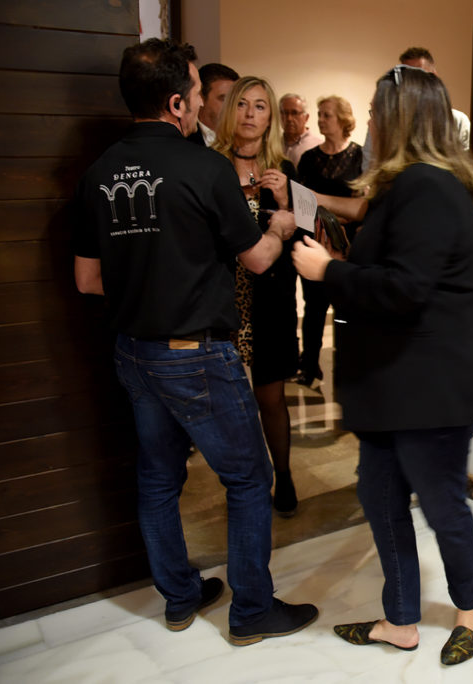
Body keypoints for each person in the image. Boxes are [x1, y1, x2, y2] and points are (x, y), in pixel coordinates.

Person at [71, 38, 317, 645]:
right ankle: (252, 610)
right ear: (178, 104)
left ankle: (180, 598)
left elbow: (88, 280)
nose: (208, 103)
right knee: (249, 479)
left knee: (158, 480)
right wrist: (282, 226)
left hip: (133, 352)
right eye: (200, 92)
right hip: (196, 354)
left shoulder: (99, 173)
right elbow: (257, 259)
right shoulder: (203, 167)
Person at [292, 64, 473, 665]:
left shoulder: (429, 188)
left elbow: (406, 289)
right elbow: (394, 269)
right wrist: (339, 258)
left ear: (400, 118)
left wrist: (329, 271)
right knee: (380, 498)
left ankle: (471, 612)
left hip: (431, 388)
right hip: (393, 384)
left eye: (376, 113)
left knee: (442, 505)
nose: (371, 124)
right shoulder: (405, 187)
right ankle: (401, 619)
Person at [212, 77, 302, 516]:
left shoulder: (284, 169)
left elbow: (306, 234)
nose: (250, 114)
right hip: (222, 300)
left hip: (270, 301)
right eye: (243, 104)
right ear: (231, 111)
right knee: (228, 403)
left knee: (270, 397)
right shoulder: (210, 166)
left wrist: (286, 199)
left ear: (271, 119)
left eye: (261, 106)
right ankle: (246, 485)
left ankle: (283, 474)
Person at [294, 95, 363, 387]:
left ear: (343, 120)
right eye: (319, 114)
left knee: (345, 310)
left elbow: (364, 206)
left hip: (347, 247)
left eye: (327, 115)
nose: (320, 120)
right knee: (313, 307)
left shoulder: (360, 157)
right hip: (315, 241)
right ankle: (310, 366)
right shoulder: (309, 159)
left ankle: (345, 369)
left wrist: (340, 217)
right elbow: (300, 204)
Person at [361, 47, 470, 173]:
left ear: (434, 78)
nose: (410, 84)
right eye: (405, 77)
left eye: (418, 75)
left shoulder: (457, 121)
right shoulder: (383, 122)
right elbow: (369, 166)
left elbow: (461, 169)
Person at [187, 62, 239, 146]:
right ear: (201, 98)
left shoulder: (243, 139)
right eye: (224, 99)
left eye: (236, 101)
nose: (232, 106)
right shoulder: (185, 137)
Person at [280, 93, 324, 166]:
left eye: (294, 113)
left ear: (306, 117)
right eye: (285, 113)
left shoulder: (318, 147)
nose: (289, 118)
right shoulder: (272, 145)